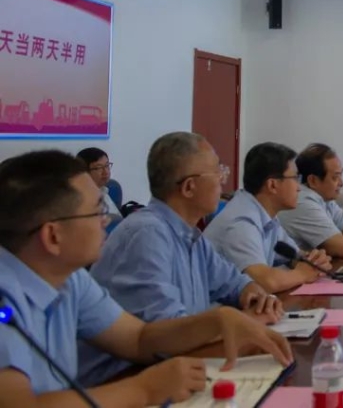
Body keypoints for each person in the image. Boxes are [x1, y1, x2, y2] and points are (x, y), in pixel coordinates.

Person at [0, 150, 291, 407]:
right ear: (53, 236)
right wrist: (144, 389)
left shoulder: (71, 279)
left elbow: (138, 339)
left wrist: (217, 320)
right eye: (97, 211)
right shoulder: (6, 297)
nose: (106, 220)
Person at [82, 133, 283, 386]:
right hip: (123, 382)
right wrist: (242, 321)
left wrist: (255, 297)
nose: (223, 181)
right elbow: (169, 333)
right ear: (189, 187)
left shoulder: (190, 234)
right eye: (217, 172)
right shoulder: (148, 235)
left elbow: (235, 283)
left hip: (172, 369)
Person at [205, 142, 333, 293]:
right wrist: (302, 274)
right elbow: (264, 282)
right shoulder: (241, 222)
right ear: (272, 185)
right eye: (295, 178)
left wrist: (314, 261)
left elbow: (293, 256)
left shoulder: (266, 215)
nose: (299, 187)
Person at [278, 143, 343, 258]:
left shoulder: (326, 199)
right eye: (335, 177)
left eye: (341, 175)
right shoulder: (302, 202)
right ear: (313, 181)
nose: (342, 183)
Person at [76, 148, 121, 224]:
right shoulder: (80, 200)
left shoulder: (103, 190)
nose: (106, 172)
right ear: (84, 172)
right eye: (98, 168)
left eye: (107, 165)